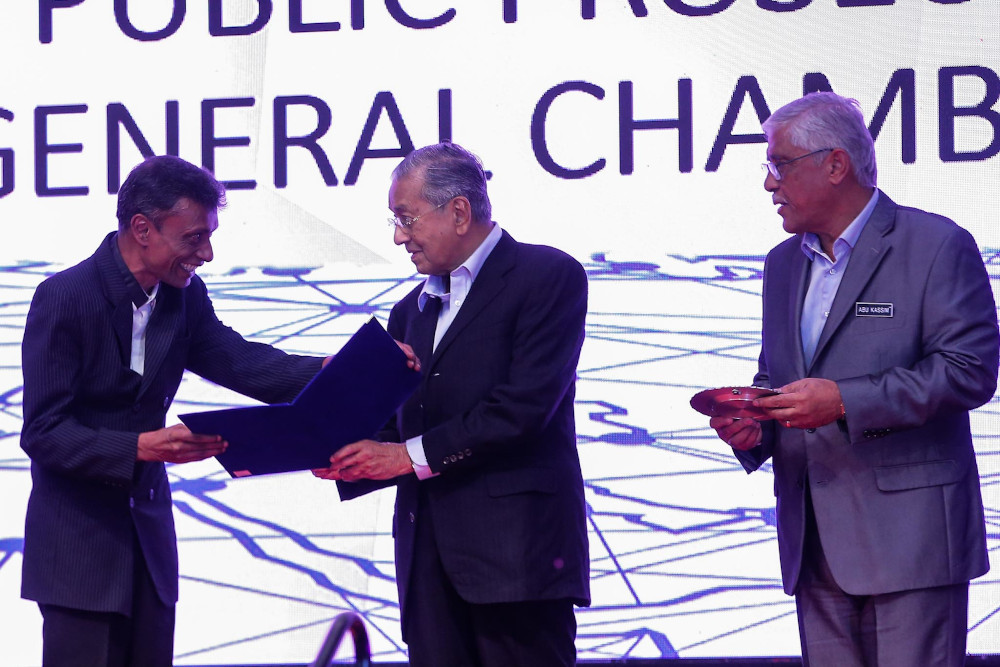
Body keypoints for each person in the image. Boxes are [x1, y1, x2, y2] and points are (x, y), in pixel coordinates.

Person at [19, 155, 418, 667]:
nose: (206, 254)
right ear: (142, 229)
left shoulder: (184, 297)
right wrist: (140, 447)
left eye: (208, 237)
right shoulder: (64, 297)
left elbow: (242, 363)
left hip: (149, 543)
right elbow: (44, 433)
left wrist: (339, 368)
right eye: (194, 238)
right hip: (77, 548)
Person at [710, 92, 999, 666]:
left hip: (912, 542)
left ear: (835, 165)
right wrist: (756, 425)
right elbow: (779, 375)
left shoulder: (936, 245)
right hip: (813, 543)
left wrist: (845, 401)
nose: (769, 184)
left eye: (780, 165)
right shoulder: (781, 263)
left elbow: (970, 371)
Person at [313, 142, 590, 666]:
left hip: (517, 563)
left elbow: (522, 409)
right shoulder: (408, 310)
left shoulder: (547, 276)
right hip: (427, 570)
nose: (399, 237)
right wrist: (334, 447)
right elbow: (396, 427)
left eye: (407, 219)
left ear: (459, 212)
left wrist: (402, 457)